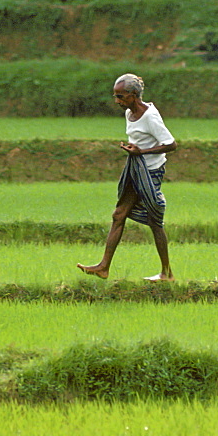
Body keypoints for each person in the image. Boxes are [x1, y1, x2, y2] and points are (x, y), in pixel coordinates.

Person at [77, 73, 177, 282]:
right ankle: (103, 267)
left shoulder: (150, 116)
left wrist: (142, 152)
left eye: (121, 97)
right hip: (135, 167)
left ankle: (167, 273)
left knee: (154, 220)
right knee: (119, 214)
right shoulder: (129, 114)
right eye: (116, 96)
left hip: (150, 172)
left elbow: (171, 144)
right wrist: (134, 151)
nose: (117, 101)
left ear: (133, 95)